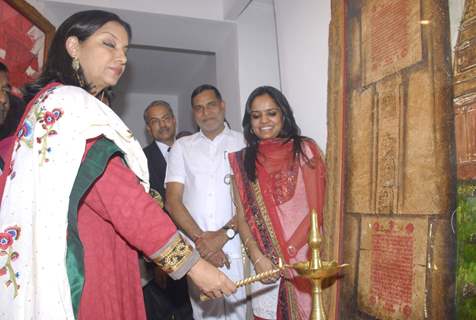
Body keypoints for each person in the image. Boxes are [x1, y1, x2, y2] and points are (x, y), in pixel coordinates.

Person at [0, 10, 235, 320]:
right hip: (86, 267)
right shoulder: (71, 107)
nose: (121, 58)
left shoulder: (47, 104)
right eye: (109, 44)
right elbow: (120, 197)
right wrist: (192, 264)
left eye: (125, 50)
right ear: (73, 46)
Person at [228, 86, 326, 320]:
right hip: (265, 265)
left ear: (283, 115)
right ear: (249, 122)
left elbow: (319, 208)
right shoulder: (243, 161)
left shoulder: (305, 149)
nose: (264, 121)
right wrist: (259, 258)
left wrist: (288, 254)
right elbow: (242, 217)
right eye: (256, 115)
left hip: (306, 261)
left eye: (271, 113)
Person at [166, 84, 247, 319]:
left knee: (240, 314)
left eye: (211, 105)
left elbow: (251, 202)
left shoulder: (244, 143)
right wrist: (203, 243)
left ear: (222, 106)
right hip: (198, 252)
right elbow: (173, 200)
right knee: (205, 315)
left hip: (239, 245)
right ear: (193, 114)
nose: (206, 112)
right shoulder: (182, 146)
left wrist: (223, 236)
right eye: (199, 108)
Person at [142, 100, 193, 319]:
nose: (162, 125)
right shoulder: (140, 159)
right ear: (148, 128)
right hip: (163, 257)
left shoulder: (193, 150)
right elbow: (142, 215)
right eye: (155, 121)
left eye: (165, 118)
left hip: (199, 249)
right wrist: (157, 261)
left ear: (173, 120)